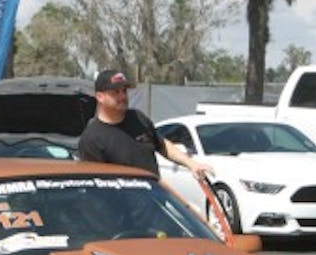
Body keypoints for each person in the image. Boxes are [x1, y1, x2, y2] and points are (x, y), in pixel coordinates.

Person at [77, 69, 214, 182]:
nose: (123, 96)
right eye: (115, 92)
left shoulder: (138, 118)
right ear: (100, 97)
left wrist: (191, 164)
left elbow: (162, 145)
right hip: (122, 211)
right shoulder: (91, 139)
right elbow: (97, 186)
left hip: (152, 203)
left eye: (124, 91)